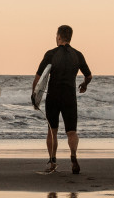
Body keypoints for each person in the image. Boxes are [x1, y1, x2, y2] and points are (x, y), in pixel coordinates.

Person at [32, 25, 92, 173]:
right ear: (70, 37)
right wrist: (84, 84)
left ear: (58, 36)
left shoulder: (51, 54)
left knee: (52, 130)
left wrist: (35, 96)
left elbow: (38, 78)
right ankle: (73, 156)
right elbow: (89, 75)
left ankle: (52, 162)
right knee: (71, 131)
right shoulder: (77, 55)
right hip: (69, 97)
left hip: (53, 96)